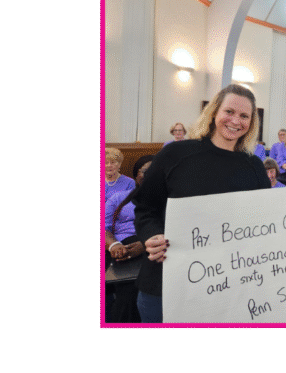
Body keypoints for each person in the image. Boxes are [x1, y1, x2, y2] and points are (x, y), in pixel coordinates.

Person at [133, 83, 269, 323]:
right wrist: (151, 235)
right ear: (214, 112)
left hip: (226, 287)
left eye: (244, 116)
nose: (236, 121)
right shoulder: (175, 154)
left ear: (252, 123)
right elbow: (146, 208)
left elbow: (265, 221)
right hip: (166, 282)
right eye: (229, 111)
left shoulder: (255, 168)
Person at [105, 154, 155, 323]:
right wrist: (114, 245)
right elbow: (103, 227)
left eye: (155, 171)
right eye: (145, 171)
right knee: (127, 294)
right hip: (123, 246)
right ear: (136, 175)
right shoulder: (119, 198)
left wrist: (145, 244)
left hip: (154, 247)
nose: (150, 175)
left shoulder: (167, 200)